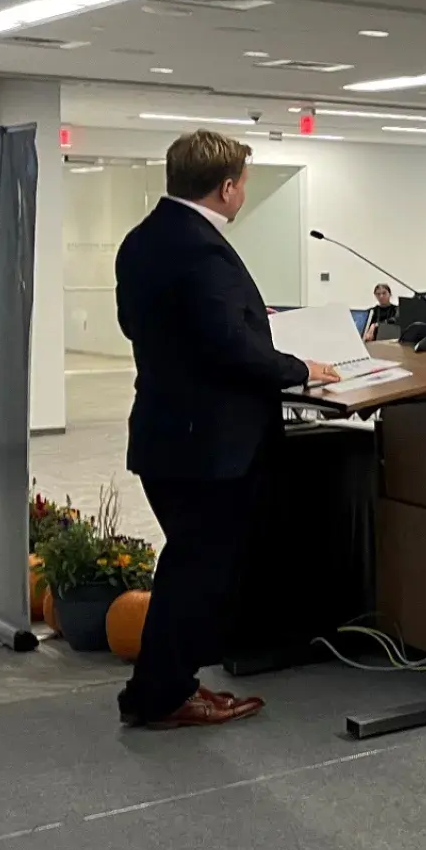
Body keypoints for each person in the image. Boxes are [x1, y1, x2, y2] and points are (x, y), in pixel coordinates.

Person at [113, 130, 338, 729]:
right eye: (243, 182)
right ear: (228, 186)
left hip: (166, 430)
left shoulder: (141, 241)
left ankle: (158, 688)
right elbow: (228, 348)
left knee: (188, 564)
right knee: (198, 570)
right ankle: (163, 695)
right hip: (208, 445)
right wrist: (300, 368)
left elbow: (135, 324)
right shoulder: (202, 250)